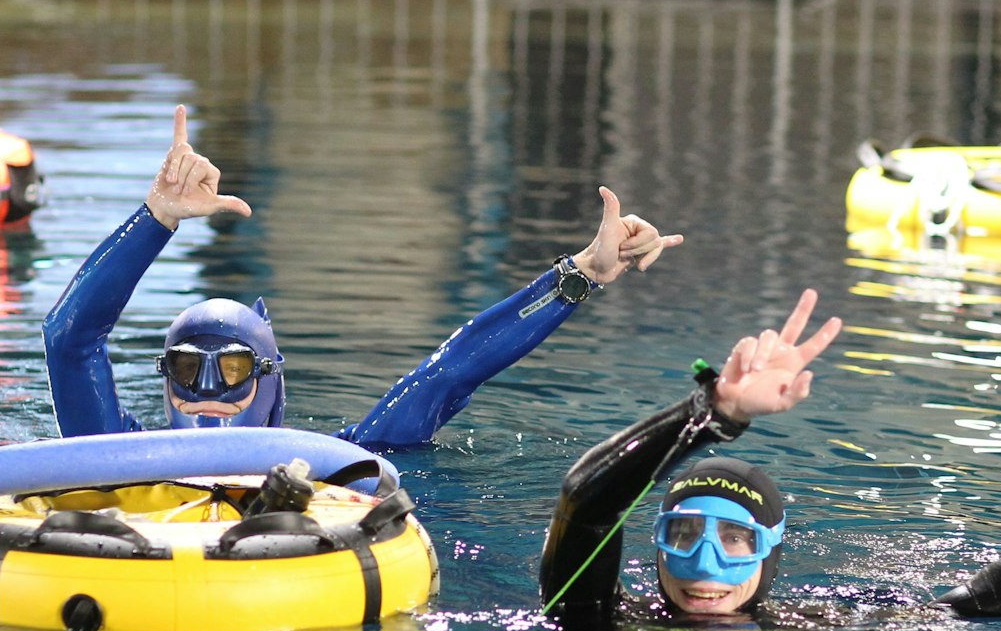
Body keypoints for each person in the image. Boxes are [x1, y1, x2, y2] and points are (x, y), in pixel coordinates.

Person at [539, 289, 1001, 626]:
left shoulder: (804, 630)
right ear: (653, 546)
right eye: (684, 534)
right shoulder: (596, 620)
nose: (706, 567)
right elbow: (587, 499)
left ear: (771, 554)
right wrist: (715, 414)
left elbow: (987, 601)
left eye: (736, 539)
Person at [44, 106, 682, 449]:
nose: (207, 386)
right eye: (186, 367)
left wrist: (583, 275)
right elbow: (68, 340)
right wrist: (155, 218)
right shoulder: (110, 450)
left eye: (233, 368)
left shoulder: (338, 465)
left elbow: (452, 371)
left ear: (268, 381)